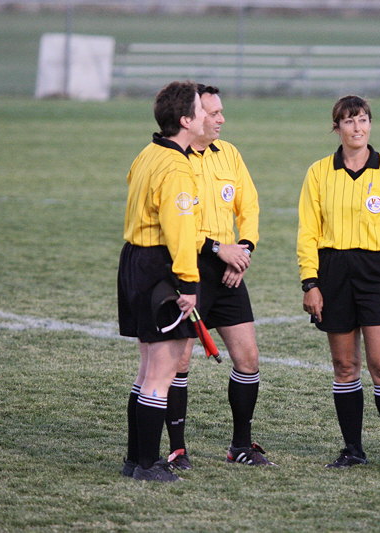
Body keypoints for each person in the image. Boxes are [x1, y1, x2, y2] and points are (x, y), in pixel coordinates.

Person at [297, 95, 380, 470]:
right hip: (332, 273)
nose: (357, 128)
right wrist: (310, 282)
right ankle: (352, 449)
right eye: (349, 121)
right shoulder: (319, 172)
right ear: (336, 128)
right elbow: (308, 233)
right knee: (344, 366)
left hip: (376, 274)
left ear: (370, 124)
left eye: (363, 120)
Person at [165, 83, 274, 468]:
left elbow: (250, 207)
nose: (221, 119)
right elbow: (175, 223)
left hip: (230, 271)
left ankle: (240, 446)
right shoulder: (175, 159)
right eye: (212, 113)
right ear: (191, 117)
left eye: (221, 112)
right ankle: (177, 449)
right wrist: (216, 248)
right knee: (178, 363)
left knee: (248, 358)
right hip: (187, 269)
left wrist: (243, 250)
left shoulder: (229, 154)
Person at [118, 81, 207, 482]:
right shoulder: (175, 167)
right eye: (202, 111)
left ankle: (135, 459)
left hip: (134, 261)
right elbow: (180, 231)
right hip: (159, 266)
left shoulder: (148, 153)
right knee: (162, 371)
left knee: (146, 369)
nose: (208, 116)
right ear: (186, 120)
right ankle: (150, 465)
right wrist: (188, 284)